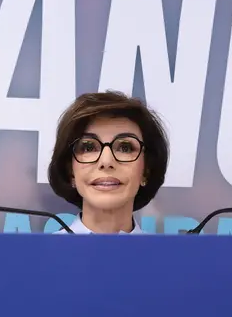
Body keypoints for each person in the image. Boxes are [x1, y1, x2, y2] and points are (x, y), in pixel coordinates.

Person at [48, 90, 169, 234]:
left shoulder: (164, 250)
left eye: (125, 148)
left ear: (146, 171)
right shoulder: (41, 249)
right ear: (70, 171)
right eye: (88, 147)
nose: (106, 161)